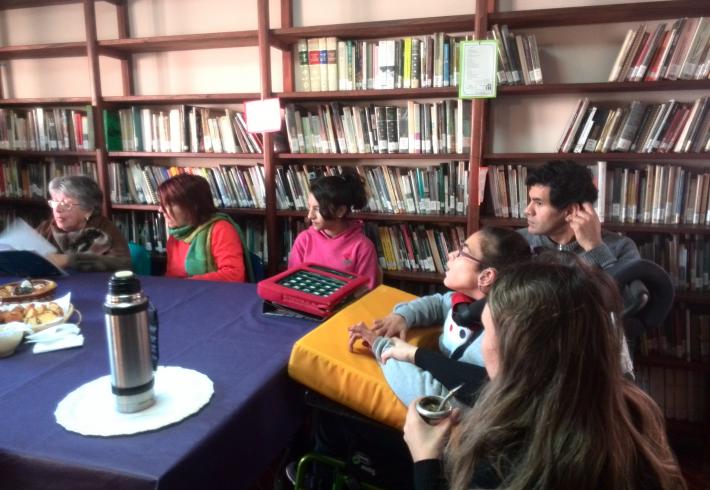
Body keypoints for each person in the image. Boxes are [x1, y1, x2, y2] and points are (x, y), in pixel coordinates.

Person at [404, 260, 687, 490]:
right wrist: (415, 354)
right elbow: (478, 381)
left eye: (488, 331)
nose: (484, 343)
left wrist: (424, 459)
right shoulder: (633, 410)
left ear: (521, 351)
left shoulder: (507, 461)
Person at [348, 227, 531, 406]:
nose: (451, 254)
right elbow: (437, 303)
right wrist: (403, 316)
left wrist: (381, 346)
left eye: (462, 252)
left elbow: (435, 398)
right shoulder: (465, 301)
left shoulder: (490, 346)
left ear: (486, 277)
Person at [520, 160, 640, 271]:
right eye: (530, 201)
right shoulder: (518, 241)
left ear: (570, 211)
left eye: (539, 203)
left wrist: (595, 248)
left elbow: (626, 288)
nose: (527, 210)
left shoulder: (621, 247)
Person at [288, 172, 379, 289]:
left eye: (317, 209)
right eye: (309, 207)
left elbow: (366, 290)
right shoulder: (304, 240)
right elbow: (292, 283)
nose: (310, 216)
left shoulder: (363, 247)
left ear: (340, 211)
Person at [159, 173, 250, 282]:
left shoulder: (221, 229)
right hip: (183, 291)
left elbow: (234, 275)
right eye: (162, 204)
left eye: (170, 204)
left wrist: (188, 284)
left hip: (212, 291)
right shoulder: (176, 235)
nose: (161, 210)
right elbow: (171, 277)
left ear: (193, 206)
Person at [37, 175, 131, 272]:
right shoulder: (46, 228)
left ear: (88, 210)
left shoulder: (104, 230)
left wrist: (69, 260)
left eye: (66, 204)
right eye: (54, 202)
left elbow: (122, 264)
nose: (57, 209)